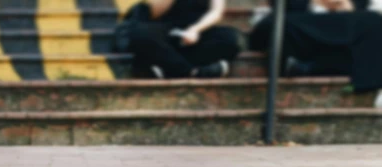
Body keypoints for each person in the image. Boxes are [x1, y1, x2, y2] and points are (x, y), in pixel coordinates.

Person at [249, 0, 382, 94]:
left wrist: (347, 5)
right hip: (302, 27)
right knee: (274, 26)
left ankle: (310, 67)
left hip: (344, 27)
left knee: (373, 22)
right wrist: (316, 2)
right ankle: (309, 66)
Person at [112, 0, 243, 78]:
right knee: (140, 34)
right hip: (166, 28)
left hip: (198, 30)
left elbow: (216, 12)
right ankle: (193, 72)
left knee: (231, 39)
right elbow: (153, 13)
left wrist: (195, 30)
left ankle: (167, 67)